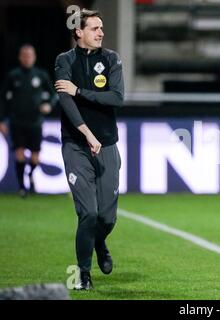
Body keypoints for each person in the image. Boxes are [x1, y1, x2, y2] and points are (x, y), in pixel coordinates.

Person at [54, 9, 124, 290]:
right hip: (76, 146)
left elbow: (117, 97)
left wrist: (80, 91)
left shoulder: (111, 59)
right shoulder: (64, 61)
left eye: (101, 28)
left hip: (107, 144)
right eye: (94, 28)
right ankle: (83, 274)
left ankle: (99, 242)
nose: (101, 33)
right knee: (88, 213)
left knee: (107, 217)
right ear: (78, 32)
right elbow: (65, 101)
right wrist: (86, 134)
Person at [0, 44, 57, 197]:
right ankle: (21, 187)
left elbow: (54, 95)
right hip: (16, 121)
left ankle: (30, 174)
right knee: (19, 153)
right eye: (24, 55)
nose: (27, 58)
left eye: (29, 55)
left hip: (35, 121)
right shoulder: (13, 75)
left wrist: (48, 105)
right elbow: (3, 100)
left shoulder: (41, 75)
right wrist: (2, 120)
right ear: (20, 57)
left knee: (35, 157)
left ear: (34, 57)